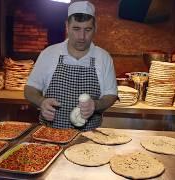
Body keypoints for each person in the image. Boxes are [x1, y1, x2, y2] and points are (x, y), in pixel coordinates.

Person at [24, 1, 118, 131]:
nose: (82, 37)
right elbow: (29, 89)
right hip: (50, 134)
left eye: (88, 29)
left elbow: (111, 95)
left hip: (89, 138)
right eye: (76, 29)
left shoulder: (104, 58)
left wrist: (95, 105)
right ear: (67, 26)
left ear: (95, 28)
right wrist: (41, 102)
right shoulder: (49, 54)